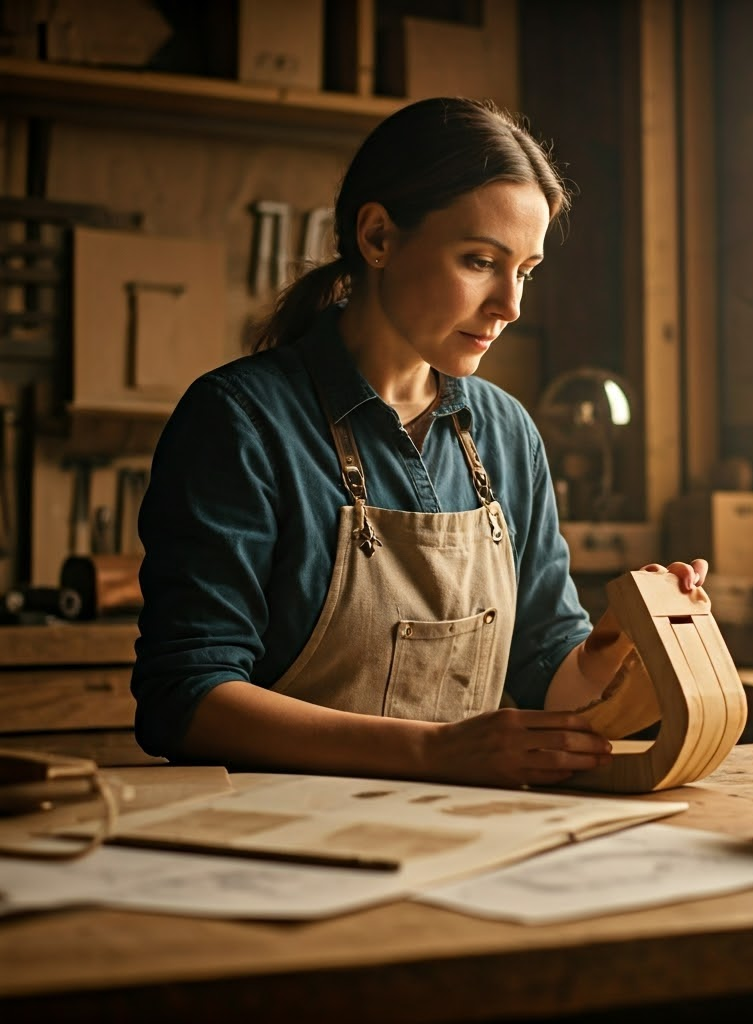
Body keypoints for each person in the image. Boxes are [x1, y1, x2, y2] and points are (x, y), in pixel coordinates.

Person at [130, 97, 708, 789]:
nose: (510, 305)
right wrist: (432, 753)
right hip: (284, 847)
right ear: (378, 237)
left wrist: (619, 638)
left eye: (524, 270)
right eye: (478, 260)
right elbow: (185, 698)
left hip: (467, 838)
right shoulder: (241, 422)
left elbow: (547, 676)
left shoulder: (507, 432)